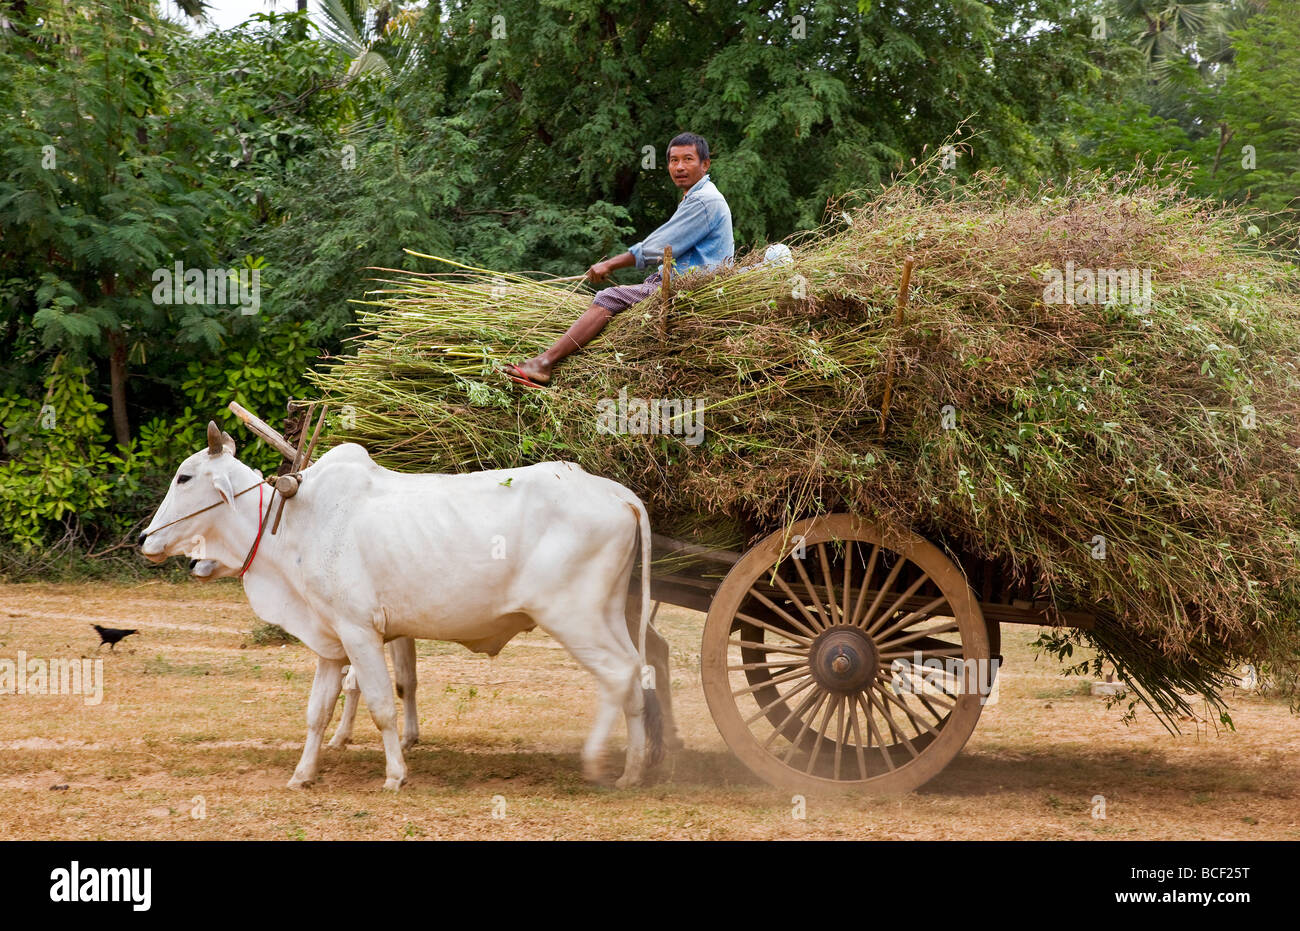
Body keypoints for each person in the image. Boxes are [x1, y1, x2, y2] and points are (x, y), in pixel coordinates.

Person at [505, 132, 734, 387]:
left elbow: (657, 248)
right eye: (673, 160)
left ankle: (544, 364)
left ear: (705, 164)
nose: (679, 167)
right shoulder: (697, 196)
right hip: (685, 282)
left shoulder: (704, 201)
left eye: (688, 159)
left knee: (608, 297)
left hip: (690, 289)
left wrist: (609, 264)